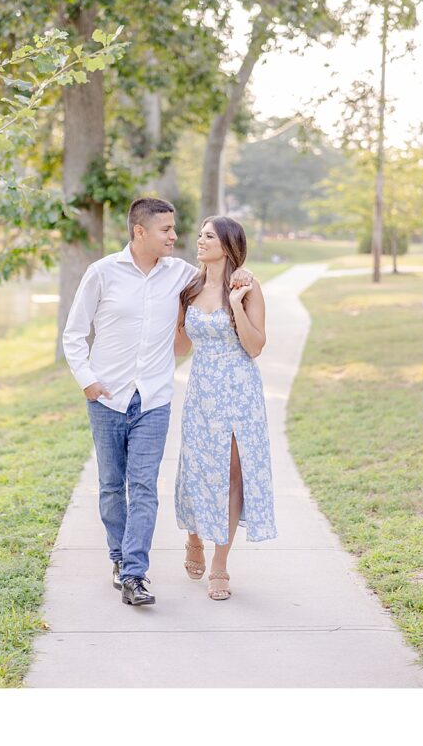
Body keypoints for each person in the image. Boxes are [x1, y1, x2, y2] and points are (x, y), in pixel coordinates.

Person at [62, 197, 252, 606]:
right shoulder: (102, 273)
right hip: (107, 398)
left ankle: (134, 573)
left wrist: (244, 271)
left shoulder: (182, 275)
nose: (175, 236)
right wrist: (87, 381)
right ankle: (119, 557)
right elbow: (74, 333)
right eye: (167, 229)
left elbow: (219, 274)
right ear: (140, 231)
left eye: (175, 228)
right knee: (113, 487)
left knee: (144, 486)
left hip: (153, 400)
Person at [173, 216, 277, 600]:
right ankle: (194, 537)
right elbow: (180, 348)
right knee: (198, 468)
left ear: (229, 245)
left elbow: (255, 347)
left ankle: (220, 562)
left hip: (240, 393)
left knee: (233, 474)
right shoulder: (189, 288)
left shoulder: (247, 288)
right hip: (201, 393)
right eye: (199, 235)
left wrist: (235, 306)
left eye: (209, 236)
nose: (200, 241)